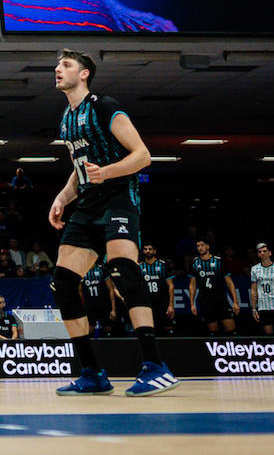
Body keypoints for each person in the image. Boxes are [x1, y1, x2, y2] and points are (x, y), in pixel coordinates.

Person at [48, 50, 178, 397]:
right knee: (63, 282)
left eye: (66, 65)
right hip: (87, 204)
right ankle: (91, 373)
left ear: (85, 73)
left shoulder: (105, 106)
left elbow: (142, 156)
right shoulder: (66, 119)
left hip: (119, 197)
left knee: (122, 269)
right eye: (58, 65)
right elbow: (80, 170)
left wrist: (106, 173)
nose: (58, 69)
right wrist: (63, 197)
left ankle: (155, 366)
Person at [189, 238, 239, 336]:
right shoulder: (194, 263)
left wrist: (235, 302)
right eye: (198, 246)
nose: (200, 248)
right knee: (213, 333)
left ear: (208, 246)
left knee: (232, 332)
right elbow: (192, 284)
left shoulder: (219, 261)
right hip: (205, 301)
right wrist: (192, 303)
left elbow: (229, 282)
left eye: (202, 245)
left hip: (221, 299)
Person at [250, 243, 274, 335]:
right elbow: (253, 291)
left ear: (270, 253)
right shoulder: (254, 269)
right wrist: (254, 309)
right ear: (258, 254)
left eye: (265, 251)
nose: (262, 253)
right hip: (263, 308)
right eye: (260, 252)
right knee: (269, 338)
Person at [140, 242, 175, 334]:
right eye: (145, 249)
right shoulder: (139, 267)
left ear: (154, 251)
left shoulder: (163, 265)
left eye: (150, 249)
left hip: (163, 303)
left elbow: (171, 286)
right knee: (151, 331)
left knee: (168, 330)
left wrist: (171, 305)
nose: (147, 251)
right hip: (148, 304)